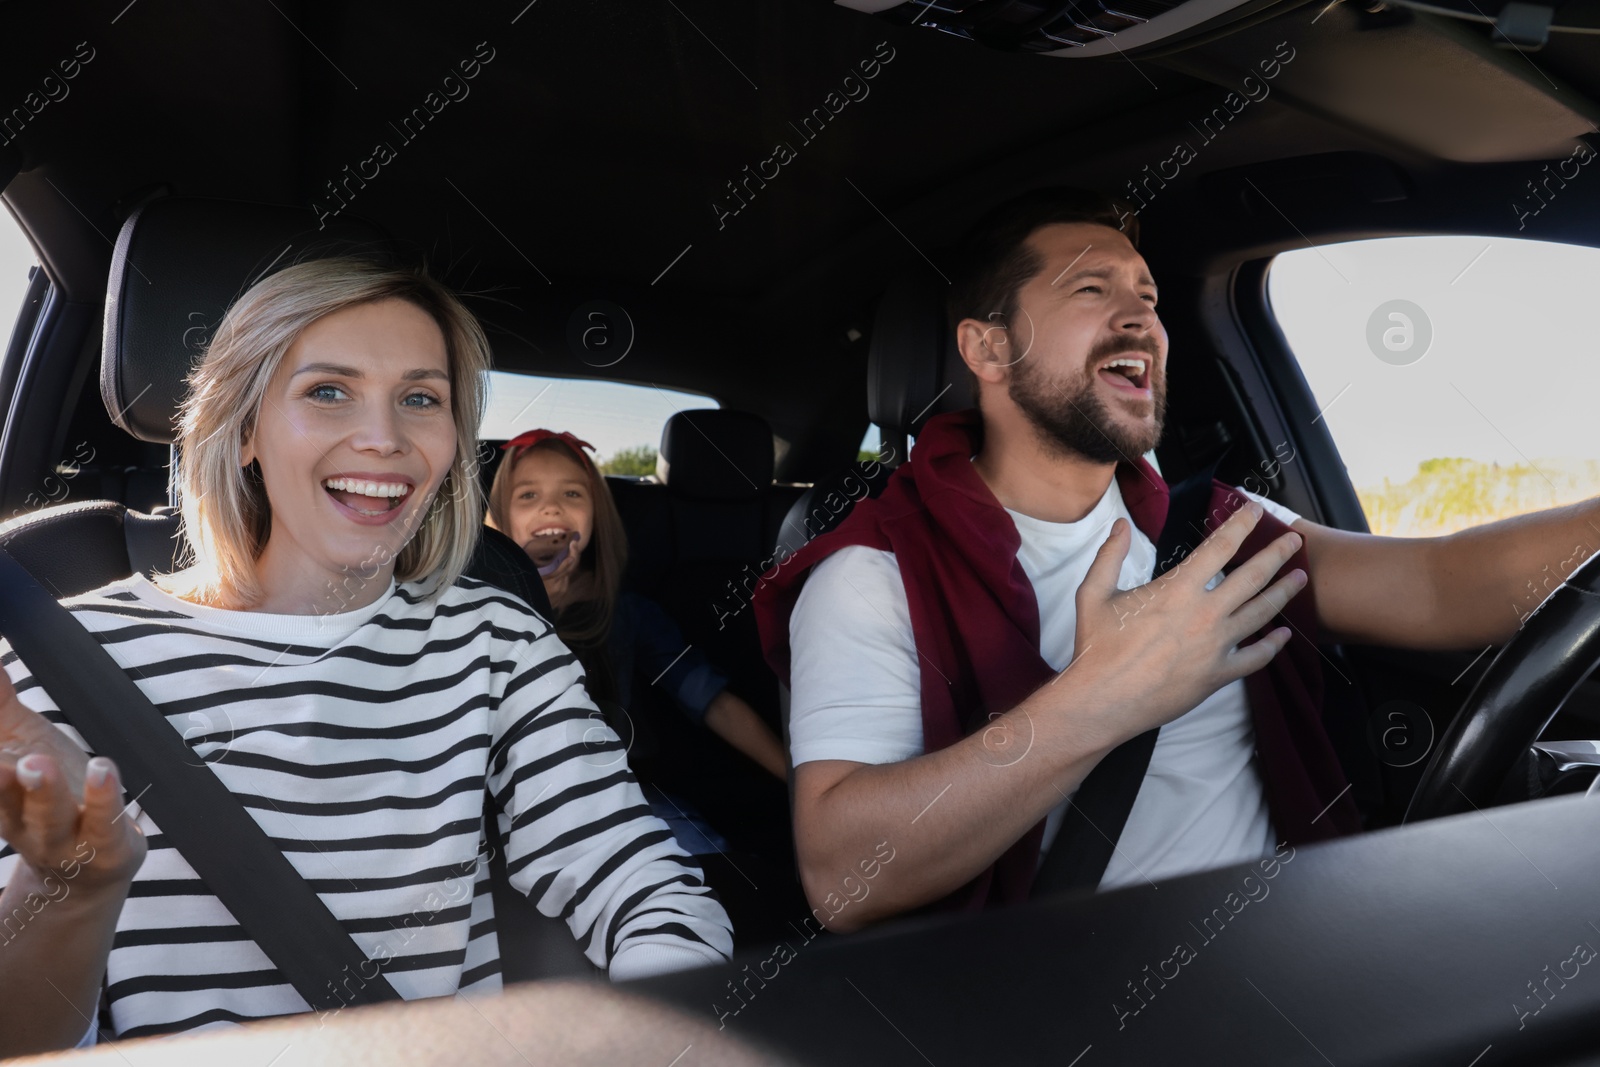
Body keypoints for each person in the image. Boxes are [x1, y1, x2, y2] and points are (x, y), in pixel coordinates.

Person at [754, 186, 1600, 933]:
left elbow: (1439, 585)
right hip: (1068, 1014)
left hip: (1306, 964)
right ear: (987, 348)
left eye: (1148, 297)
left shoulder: (1214, 528)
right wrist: (1101, 700)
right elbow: (843, 878)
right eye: (1091, 288)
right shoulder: (874, 574)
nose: (1140, 318)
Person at [0, 257, 733, 1056]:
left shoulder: (497, 641)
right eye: (327, 391)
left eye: (421, 398)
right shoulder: (60, 659)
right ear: (244, 429)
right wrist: (66, 888)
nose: (384, 439)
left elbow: (657, 898)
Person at [483, 430, 807, 944]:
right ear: (496, 521)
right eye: (528, 496)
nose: (552, 509)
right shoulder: (476, 612)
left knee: (715, 879)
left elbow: (711, 700)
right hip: (495, 810)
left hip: (620, 795)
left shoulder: (627, 615)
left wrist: (800, 783)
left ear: (596, 518)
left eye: (572, 494)